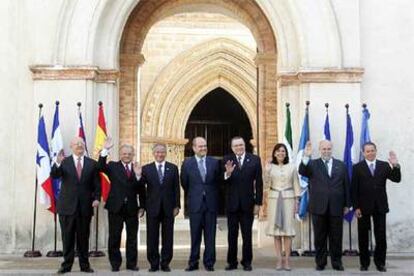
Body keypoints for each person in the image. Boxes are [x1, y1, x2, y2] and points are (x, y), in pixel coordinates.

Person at [50, 137, 101, 274]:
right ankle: (66, 265)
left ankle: (85, 266)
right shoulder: (64, 162)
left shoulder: (92, 163)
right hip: (67, 207)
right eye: (76, 144)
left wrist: (97, 198)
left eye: (81, 144)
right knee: (67, 238)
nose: (79, 145)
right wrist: (57, 163)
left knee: (83, 238)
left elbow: (97, 183)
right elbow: (54, 175)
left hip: (85, 207)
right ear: (71, 146)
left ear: (84, 147)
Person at [298, 140, 350, 271]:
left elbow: (346, 186)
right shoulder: (312, 164)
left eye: (328, 149)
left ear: (332, 149)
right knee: (320, 237)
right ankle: (320, 262)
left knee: (336, 237)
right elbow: (302, 171)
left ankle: (337, 262)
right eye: (323, 149)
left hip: (336, 207)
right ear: (319, 150)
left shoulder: (341, 165)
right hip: (318, 207)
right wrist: (306, 156)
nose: (326, 151)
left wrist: (347, 205)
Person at [97, 137, 145, 272]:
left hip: (131, 208)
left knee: (132, 238)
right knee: (114, 237)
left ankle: (131, 264)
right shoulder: (112, 166)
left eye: (129, 154)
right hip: (115, 207)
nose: (127, 156)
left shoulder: (137, 167)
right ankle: (115, 264)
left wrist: (138, 176)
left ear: (133, 155)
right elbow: (100, 167)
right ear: (120, 154)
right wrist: (105, 149)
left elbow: (141, 189)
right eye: (124, 153)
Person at [352, 142, 401, 272]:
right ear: (363, 153)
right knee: (363, 236)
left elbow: (397, 179)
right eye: (367, 151)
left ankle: (380, 263)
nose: (370, 153)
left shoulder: (384, 165)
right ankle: (364, 263)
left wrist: (395, 165)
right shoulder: (357, 167)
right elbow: (354, 189)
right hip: (363, 208)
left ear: (376, 151)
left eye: (372, 150)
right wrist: (356, 207)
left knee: (380, 236)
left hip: (380, 206)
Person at [138, 143, 180, 272]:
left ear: (165, 153)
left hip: (168, 208)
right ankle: (154, 263)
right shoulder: (146, 169)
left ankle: (165, 263)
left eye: (162, 152)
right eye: (157, 152)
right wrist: (142, 207)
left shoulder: (173, 168)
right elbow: (141, 189)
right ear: (153, 153)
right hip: (152, 208)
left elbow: (176, 188)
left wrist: (177, 205)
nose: (160, 154)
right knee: (152, 237)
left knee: (168, 237)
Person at [223, 136, 263, 271]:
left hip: (248, 204)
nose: (239, 148)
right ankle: (232, 262)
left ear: (245, 145)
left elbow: (259, 183)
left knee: (247, 235)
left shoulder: (254, 160)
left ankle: (247, 262)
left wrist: (258, 203)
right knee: (232, 235)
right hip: (232, 205)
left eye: (241, 145)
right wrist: (227, 174)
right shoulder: (227, 160)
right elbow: (221, 183)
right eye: (236, 146)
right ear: (232, 148)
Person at [181, 137, 220, 272]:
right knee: (195, 235)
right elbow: (185, 183)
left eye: (204, 146)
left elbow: (218, 182)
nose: (203, 148)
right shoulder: (187, 163)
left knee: (210, 235)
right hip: (195, 204)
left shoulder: (214, 162)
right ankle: (193, 262)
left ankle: (209, 263)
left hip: (210, 204)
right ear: (193, 148)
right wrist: (196, 193)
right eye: (200, 146)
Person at [264, 143, 300, 271]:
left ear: (286, 154)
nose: (281, 153)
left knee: (288, 232)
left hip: (289, 200)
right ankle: (279, 259)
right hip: (274, 200)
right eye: (278, 151)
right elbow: (265, 186)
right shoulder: (270, 167)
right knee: (277, 233)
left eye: (283, 151)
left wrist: (297, 202)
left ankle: (287, 260)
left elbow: (296, 185)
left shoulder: (292, 167)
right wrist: (267, 171)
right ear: (274, 153)